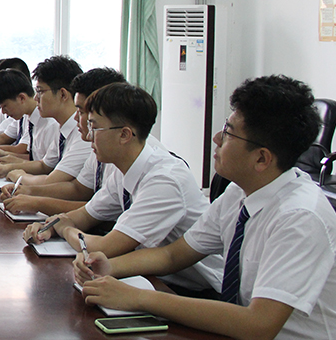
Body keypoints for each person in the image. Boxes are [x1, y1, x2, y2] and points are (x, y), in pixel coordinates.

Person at [76, 75, 336, 340]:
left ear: (261, 158)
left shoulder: (299, 217)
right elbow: (174, 254)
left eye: (228, 132)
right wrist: (109, 267)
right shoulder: (240, 192)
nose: (216, 138)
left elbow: (259, 326)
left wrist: (140, 297)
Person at [27, 82, 221, 296]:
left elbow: (104, 247)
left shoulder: (164, 180)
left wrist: (65, 229)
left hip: (197, 290)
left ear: (124, 135)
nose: (89, 135)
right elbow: (85, 215)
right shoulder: (124, 169)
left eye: (95, 127)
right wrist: (48, 227)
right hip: (154, 276)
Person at [0, 67, 126, 216]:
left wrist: (36, 200)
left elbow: (97, 211)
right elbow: (78, 189)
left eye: (82, 112)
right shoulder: (93, 141)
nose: (76, 117)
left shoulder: (91, 141)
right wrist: (28, 191)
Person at [0, 55, 90, 184]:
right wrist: (7, 168)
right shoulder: (62, 129)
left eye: (40, 92)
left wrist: (18, 176)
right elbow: (44, 165)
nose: (35, 98)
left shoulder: (81, 133)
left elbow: (53, 181)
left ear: (63, 94)